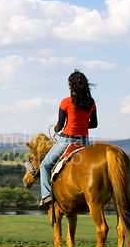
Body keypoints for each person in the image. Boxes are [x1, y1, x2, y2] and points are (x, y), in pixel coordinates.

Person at [39, 70, 97, 210]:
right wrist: (83, 125)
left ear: (71, 85)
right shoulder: (91, 102)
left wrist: (55, 129)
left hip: (67, 141)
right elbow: (94, 124)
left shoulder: (66, 102)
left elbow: (59, 125)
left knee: (45, 166)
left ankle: (46, 195)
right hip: (83, 142)